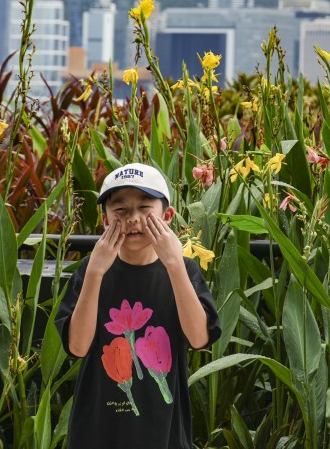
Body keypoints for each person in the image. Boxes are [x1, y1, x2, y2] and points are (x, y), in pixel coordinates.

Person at [54, 162, 221, 448]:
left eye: (145, 208)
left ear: (167, 216)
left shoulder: (185, 270)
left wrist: (174, 262)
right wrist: (95, 272)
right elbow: (77, 347)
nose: (133, 218)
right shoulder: (90, 270)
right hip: (96, 434)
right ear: (105, 220)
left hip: (164, 433)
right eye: (120, 209)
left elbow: (199, 338)